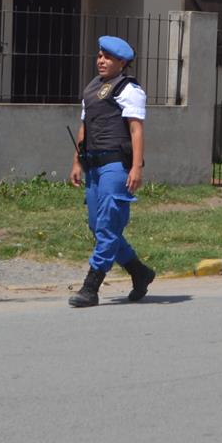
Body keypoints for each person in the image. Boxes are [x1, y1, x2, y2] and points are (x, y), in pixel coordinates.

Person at [68, 35, 156, 308]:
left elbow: (136, 129)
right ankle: (139, 272)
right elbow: (84, 128)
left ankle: (91, 286)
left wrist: (136, 167)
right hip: (93, 164)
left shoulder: (129, 89)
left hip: (116, 166)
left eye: (108, 57)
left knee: (108, 226)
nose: (101, 61)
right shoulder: (93, 88)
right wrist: (76, 162)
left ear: (122, 62)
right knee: (98, 226)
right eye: (99, 56)